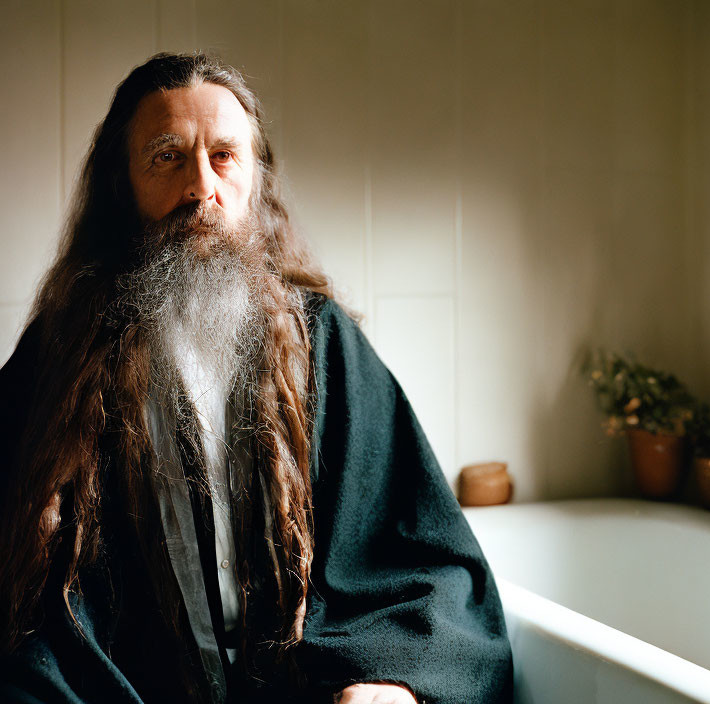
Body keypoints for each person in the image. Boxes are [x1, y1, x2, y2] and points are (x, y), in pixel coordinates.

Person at [0, 52, 513, 704]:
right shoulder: (58, 363)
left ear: (255, 181)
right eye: (167, 158)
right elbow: (27, 611)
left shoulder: (321, 341)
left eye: (223, 156)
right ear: (120, 188)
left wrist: (389, 681)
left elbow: (429, 564)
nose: (200, 188)